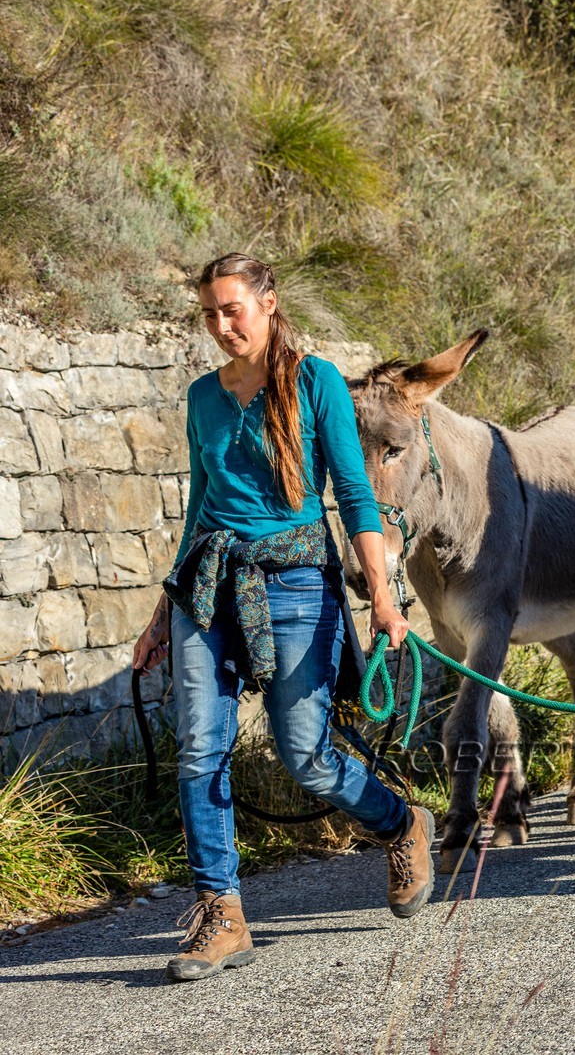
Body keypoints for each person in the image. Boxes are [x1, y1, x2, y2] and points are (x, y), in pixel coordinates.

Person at [132, 253, 434, 983]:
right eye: (209, 313)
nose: (221, 325)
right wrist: (159, 612)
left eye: (232, 309)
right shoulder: (203, 397)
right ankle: (222, 912)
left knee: (306, 756)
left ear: (268, 303)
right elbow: (199, 509)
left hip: (298, 583)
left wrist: (385, 599)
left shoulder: (314, 381)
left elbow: (356, 495)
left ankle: (400, 822)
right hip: (208, 588)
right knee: (201, 746)